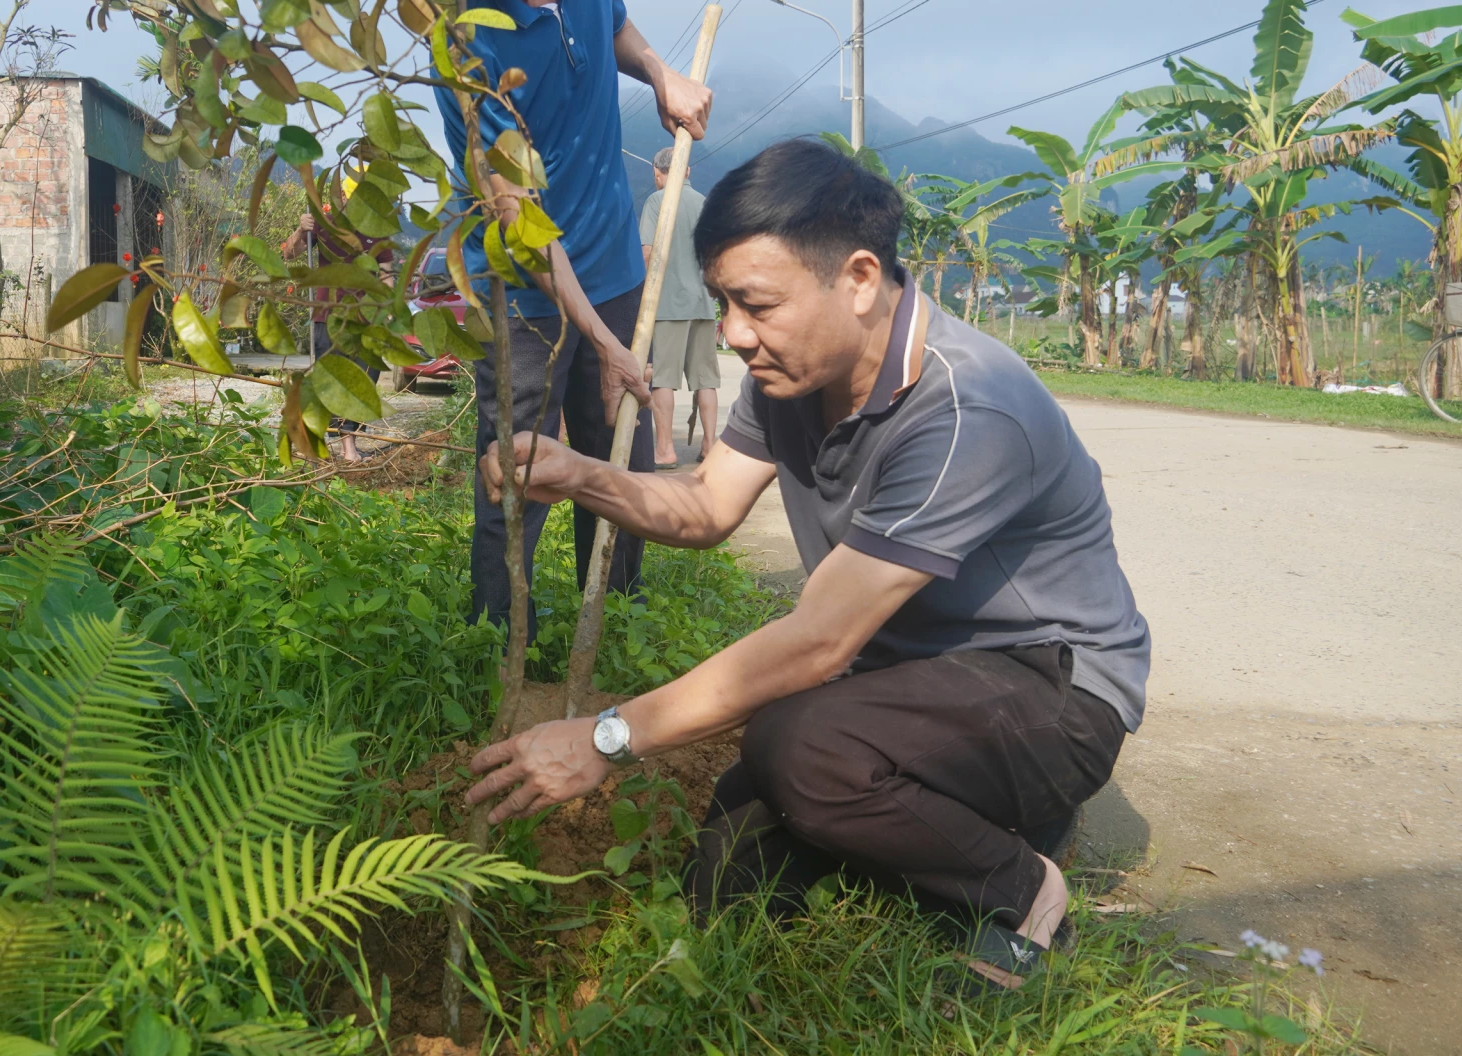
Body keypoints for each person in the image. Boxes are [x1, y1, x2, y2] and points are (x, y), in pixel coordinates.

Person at [459, 138, 1150, 992]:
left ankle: (1026, 886)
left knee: (800, 746)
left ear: (859, 279)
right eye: (722, 303)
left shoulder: (967, 406)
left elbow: (818, 645)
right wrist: (583, 476)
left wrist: (607, 737)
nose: (735, 335)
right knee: (732, 869)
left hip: (1051, 691)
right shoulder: (793, 374)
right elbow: (708, 504)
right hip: (910, 684)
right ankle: (964, 822)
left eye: (756, 304)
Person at [434, 0, 713, 636]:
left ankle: (614, 619)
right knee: (517, 464)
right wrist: (601, 342)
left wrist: (660, 73)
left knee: (616, 448)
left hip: (615, 269)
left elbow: (616, 26)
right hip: (522, 289)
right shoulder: (464, 40)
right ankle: (498, 638)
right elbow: (518, 216)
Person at [281, 208, 390, 463]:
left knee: (364, 380)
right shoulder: (324, 223)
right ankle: (342, 447)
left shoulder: (378, 228)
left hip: (366, 318)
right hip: (328, 315)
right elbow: (290, 253)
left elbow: (386, 275)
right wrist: (301, 229)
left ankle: (347, 443)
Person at [639, 147, 720, 467]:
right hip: (702, 302)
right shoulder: (706, 204)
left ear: (658, 174)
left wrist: (643, 298)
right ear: (687, 172)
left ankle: (664, 450)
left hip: (667, 304)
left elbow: (647, 252)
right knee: (706, 379)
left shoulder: (656, 202)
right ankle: (711, 446)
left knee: (663, 379)